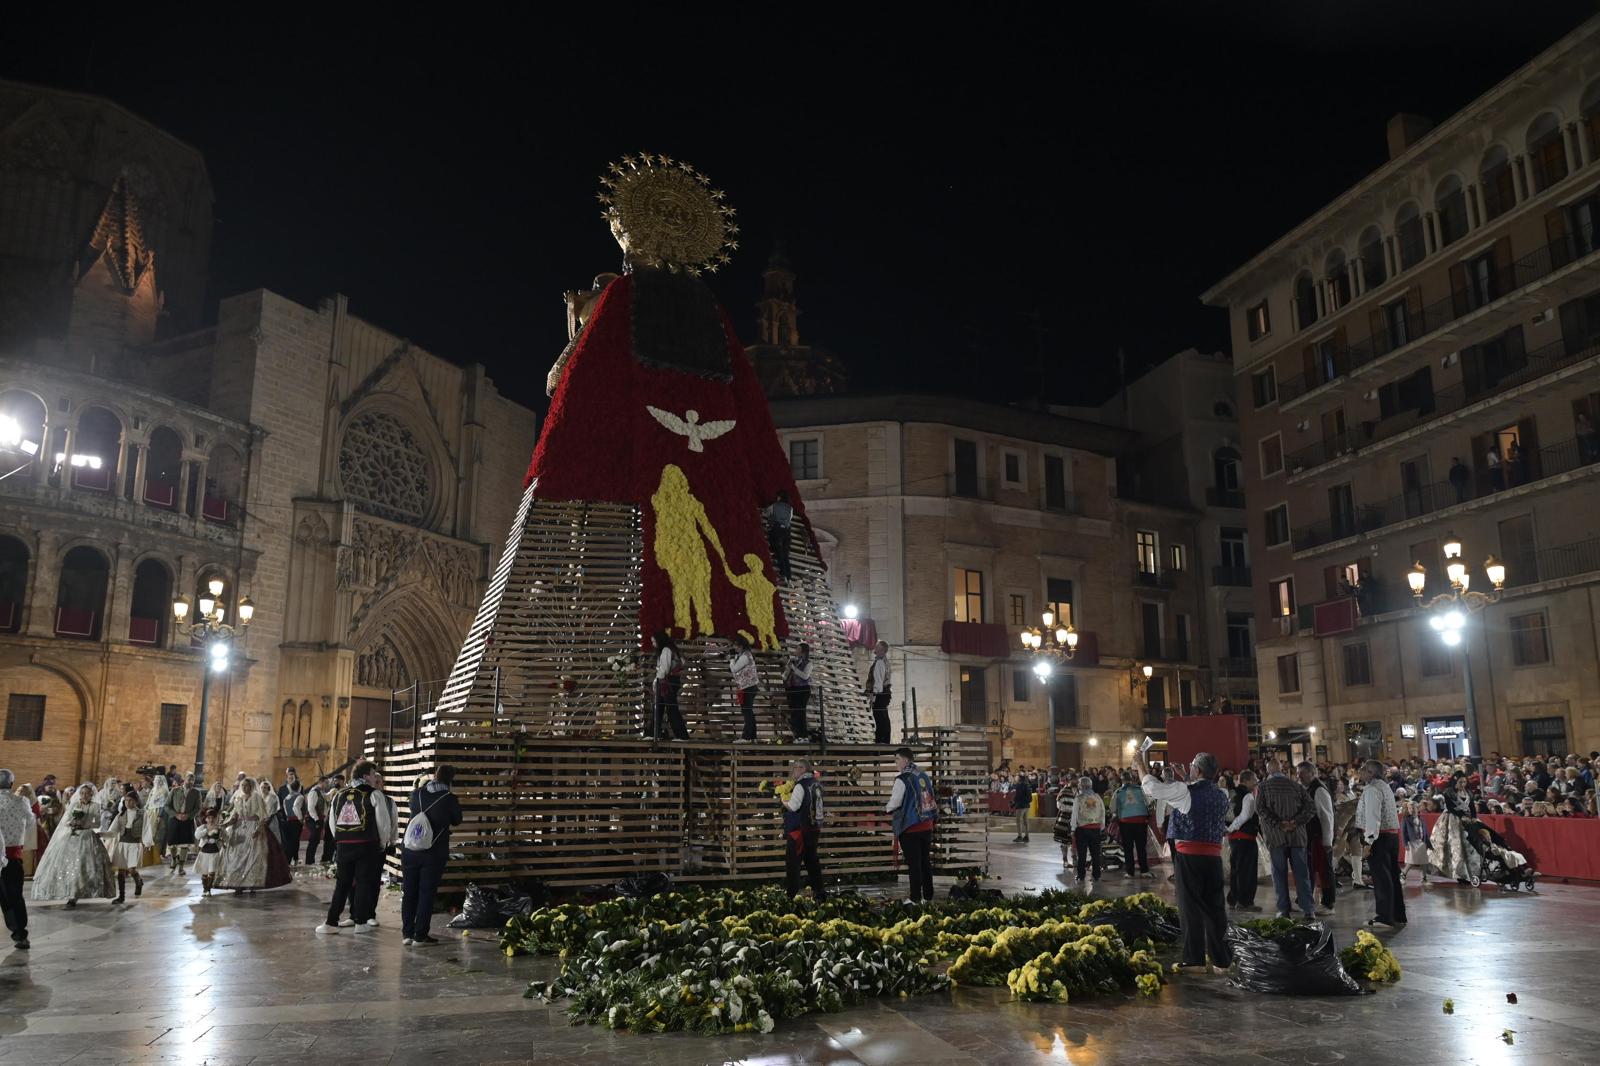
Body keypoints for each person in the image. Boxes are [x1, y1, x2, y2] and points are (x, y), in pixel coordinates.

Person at [1135, 749, 1232, 974]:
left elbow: (1151, 788)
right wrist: (1186, 777)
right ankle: (1222, 961)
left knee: (1190, 907)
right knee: (1215, 908)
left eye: (1192, 766)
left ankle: (1194, 960)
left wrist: (1140, 764)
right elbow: (1199, 793)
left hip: (1190, 855)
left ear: (1197, 770)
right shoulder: (1222, 794)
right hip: (1213, 856)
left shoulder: (1184, 791)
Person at [316, 761, 392, 934]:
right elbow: (383, 823)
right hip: (367, 845)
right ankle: (361, 922)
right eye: (373, 774)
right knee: (364, 883)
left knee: (342, 884)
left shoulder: (339, 795)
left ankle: (331, 923)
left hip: (343, 846)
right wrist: (382, 843)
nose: (374, 778)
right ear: (365, 776)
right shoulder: (374, 794)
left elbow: (333, 822)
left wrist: (340, 840)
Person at [401, 764, 463, 945]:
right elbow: (457, 820)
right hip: (433, 853)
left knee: (409, 892)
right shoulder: (449, 798)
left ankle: (407, 934)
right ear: (451, 780)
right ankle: (420, 936)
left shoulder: (417, 794)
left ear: (435, 775)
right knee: (426, 894)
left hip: (411, 849)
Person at [30, 783, 116, 908]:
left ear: (91, 794)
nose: (84, 795)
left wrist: (84, 824)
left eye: (87, 793)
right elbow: (66, 820)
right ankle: (71, 894)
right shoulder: (74, 804)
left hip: (86, 836)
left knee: (84, 865)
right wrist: (72, 823)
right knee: (69, 865)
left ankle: (80, 892)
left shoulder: (95, 806)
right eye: (82, 793)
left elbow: (97, 823)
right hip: (71, 836)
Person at [1257, 758, 1315, 921]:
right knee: (1302, 874)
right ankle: (1308, 909)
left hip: (1276, 837)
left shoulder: (1263, 787)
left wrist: (1280, 824)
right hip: (1297, 837)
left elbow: (1260, 810)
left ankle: (1284, 910)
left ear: (1268, 771)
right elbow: (1311, 808)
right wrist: (1295, 822)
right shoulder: (1296, 786)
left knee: (1279, 874)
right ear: (1282, 769)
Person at [1356, 759, 1405, 929]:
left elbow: (1373, 817)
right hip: (1391, 836)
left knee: (1381, 878)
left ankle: (1384, 917)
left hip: (1379, 838)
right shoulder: (1384, 786)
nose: (1360, 771)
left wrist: (1368, 842)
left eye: (1363, 769)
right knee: (1392, 876)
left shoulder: (1372, 789)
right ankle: (1397, 914)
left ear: (1371, 772)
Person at [886, 747, 937, 904]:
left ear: (905, 760)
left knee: (914, 864)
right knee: (925, 862)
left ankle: (915, 898)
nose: (895, 762)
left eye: (897, 759)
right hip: (926, 824)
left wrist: (887, 808)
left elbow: (895, 802)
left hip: (910, 826)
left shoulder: (902, 779)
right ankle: (928, 896)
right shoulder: (923, 775)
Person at [215, 778, 271, 893]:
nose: (244, 788)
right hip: (239, 828)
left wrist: (258, 829)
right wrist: (225, 824)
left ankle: (252, 883)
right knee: (236, 856)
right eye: (243, 786)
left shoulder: (257, 797)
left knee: (253, 855)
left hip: (252, 826)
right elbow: (235, 816)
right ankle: (237, 884)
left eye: (247, 785)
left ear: (251, 786)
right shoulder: (238, 798)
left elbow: (263, 816)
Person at [780, 757, 825, 901]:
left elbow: (793, 807)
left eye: (796, 767)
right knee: (812, 863)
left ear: (803, 769)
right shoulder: (817, 784)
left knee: (793, 864)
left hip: (798, 831)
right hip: (813, 830)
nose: (794, 770)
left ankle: (790, 896)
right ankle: (820, 894)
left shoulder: (800, 786)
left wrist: (784, 801)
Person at [0, 769, 33, 949]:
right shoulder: (22, 801)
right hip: (12, 856)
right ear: (12, 784)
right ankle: (20, 935)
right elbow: (30, 823)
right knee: (13, 896)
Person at [1298, 761, 1336, 914]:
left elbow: (1327, 817)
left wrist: (1327, 840)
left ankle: (1328, 904)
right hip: (1312, 837)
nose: (1299, 777)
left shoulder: (1319, 790)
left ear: (1312, 773)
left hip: (1319, 837)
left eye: (1302, 773)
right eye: (1298, 774)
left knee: (1325, 870)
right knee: (1313, 869)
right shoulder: (1308, 789)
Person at [1225, 769, 1260, 911]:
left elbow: (1226, 813)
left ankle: (1233, 899)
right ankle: (1245, 902)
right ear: (1246, 780)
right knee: (1247, 870)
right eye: (1254, 779)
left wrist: (1228, 829)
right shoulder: (1248, 796)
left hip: (1234, 839)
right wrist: (1231, 828)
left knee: (1236, 869)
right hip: (1245, 837)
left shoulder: (1231, 793)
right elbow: (1245, 816)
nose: (1256, 782)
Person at [1111, 772, 1153, 878]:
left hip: (1125, 823)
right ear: (1132, 779)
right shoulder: (1140, 789)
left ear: (1121, 780)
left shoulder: (1118, 791)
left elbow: (1112, 808)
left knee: (1128, 848)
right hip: (1140, 822)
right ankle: (1144, 870)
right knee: (1141, 847)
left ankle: (1130, 872)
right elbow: (1149, 802)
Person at [651, 630, 689, 741]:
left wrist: (656, 681)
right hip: (670, 681)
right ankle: (653, 733)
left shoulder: (666, 650)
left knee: (670, 709)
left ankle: (681, 735)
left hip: (666, 682)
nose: (653, 644)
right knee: (660, 708)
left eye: (654, 641)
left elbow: (664, 669)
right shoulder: (672, 649)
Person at [110, 789, 147, 903]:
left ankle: (138, 881)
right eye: (126, 800)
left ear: (136, 801)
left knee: (131, 869)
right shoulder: (121, 815)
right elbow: (113, 830)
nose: (128, 802)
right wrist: (102, 835)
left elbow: (147, 829)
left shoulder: (142, 814)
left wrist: (147, 843)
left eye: (131, 800)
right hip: (122, 844)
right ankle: (121, 896)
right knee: (121, 870)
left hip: (134, 844)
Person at [1069, 777, 1106, 887]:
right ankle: (1097, 875)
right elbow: (1102, 811)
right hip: (1095, 828)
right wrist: (1102, 826)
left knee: (1082, 853)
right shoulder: (1097, 797)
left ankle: (1081, 875)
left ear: (1081, 786)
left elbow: (1074, 815)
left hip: (1082, 829)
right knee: (1095, 853)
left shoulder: (1079, 798)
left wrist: (1072, 829)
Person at [166, 773, 201, 875]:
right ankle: (173, 859)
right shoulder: (174, 790)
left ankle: (181, 867)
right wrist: (176, 815)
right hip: (174, 819)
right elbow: (167, 806)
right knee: (172, 843)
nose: (191, 782)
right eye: (189, 779)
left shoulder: (196, 793)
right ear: (184, 779)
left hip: (187, 820)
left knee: (185, 845)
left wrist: (189, 815)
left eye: (192, 780)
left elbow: (198, 808)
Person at [729, 635, 760, 743]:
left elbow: (734, 669)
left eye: (736, 646)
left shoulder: (745, 656)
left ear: (741, 646)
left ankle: (746, 737)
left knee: (747, 712)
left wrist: (731, 659)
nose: (734, 648)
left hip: (748, 687)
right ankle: (752, 737)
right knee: (748, 711)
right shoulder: (743, 655)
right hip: (747, 686)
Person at [783, 642, 813, 742]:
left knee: (800, 712)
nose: (796, 651)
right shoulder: (793, 661)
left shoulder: (808, 663)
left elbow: (805, 676)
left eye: (798, 649)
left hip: (803, 690)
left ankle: (803, 736)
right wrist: (787, 671)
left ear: (803, 652)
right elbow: (786, 674)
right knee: (794, 713)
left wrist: (794, 668)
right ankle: (797, 735)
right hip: (792, 689)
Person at [277, 768, 305, 864]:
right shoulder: (283, 789)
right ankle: (287, 859)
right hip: (290, 819)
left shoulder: (297, 791)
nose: (291, 778)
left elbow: (301, 805)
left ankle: (294, 858)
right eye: (289, 777)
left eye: (293, 777)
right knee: (290, 841)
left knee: (293, 840)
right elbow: (293, 807)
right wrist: (300, 819)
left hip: (292, 819)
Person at [765, 490, 793, 583]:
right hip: (787, 532)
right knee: (785, 555)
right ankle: (789, 577)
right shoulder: (790, 508)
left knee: (779, 553)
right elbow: (790, 519)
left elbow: (767, 513)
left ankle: (783, 574)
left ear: (780, 497)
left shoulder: (774, 506)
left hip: (777, 531)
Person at [193, 809, 223, 896]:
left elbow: (225, 836)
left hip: (214, 852)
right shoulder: (202, 827)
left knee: (212, 871)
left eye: (213, 818)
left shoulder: (219, 827)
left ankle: (208, 889)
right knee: (204, 872)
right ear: (205, 819)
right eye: (209, 818)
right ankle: (205, 889)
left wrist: (221, 840)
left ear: (216, 818)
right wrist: (206, 830)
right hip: (204, 852)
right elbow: (197, 836)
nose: (211, 820)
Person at [1399, 796, 1429, 883]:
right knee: (1411, 861)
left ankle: (1424, 877)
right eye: (1410, 808)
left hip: (1421, 841)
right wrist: (1405, 844)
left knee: (1424, 860)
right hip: (1412, 842)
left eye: (1414, 808)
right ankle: (1403, 874)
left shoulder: (1421, 819)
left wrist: (1427, 842)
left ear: (1417, 809)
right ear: (1408, 809)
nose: (1412, 810)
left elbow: (1425, 831)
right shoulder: (1406, 819)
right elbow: (1403, 832)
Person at [866, 641, 892, 745]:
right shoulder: (884, 661)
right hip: (884, 693)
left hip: (880, 694)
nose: (875, 648)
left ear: (882, 650)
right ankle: (884, 740)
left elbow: (878, 681)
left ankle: (881, 741)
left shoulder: (880, 662)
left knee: (880, 718)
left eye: (877, 647)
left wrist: (873, 697)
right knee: (883, 717)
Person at [1010, 768, 1034, 843]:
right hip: (1026, 805)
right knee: (1026, 821)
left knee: (1018, 821)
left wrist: (1014, 803)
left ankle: (1020, 836)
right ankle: (1026, 836)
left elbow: (1018, 796)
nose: (1016, 778)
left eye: (1017, 777)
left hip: (1020, 805)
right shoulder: (1027, 784)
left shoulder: (1019, 785)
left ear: (1020, 778)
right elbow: (1030, 797)